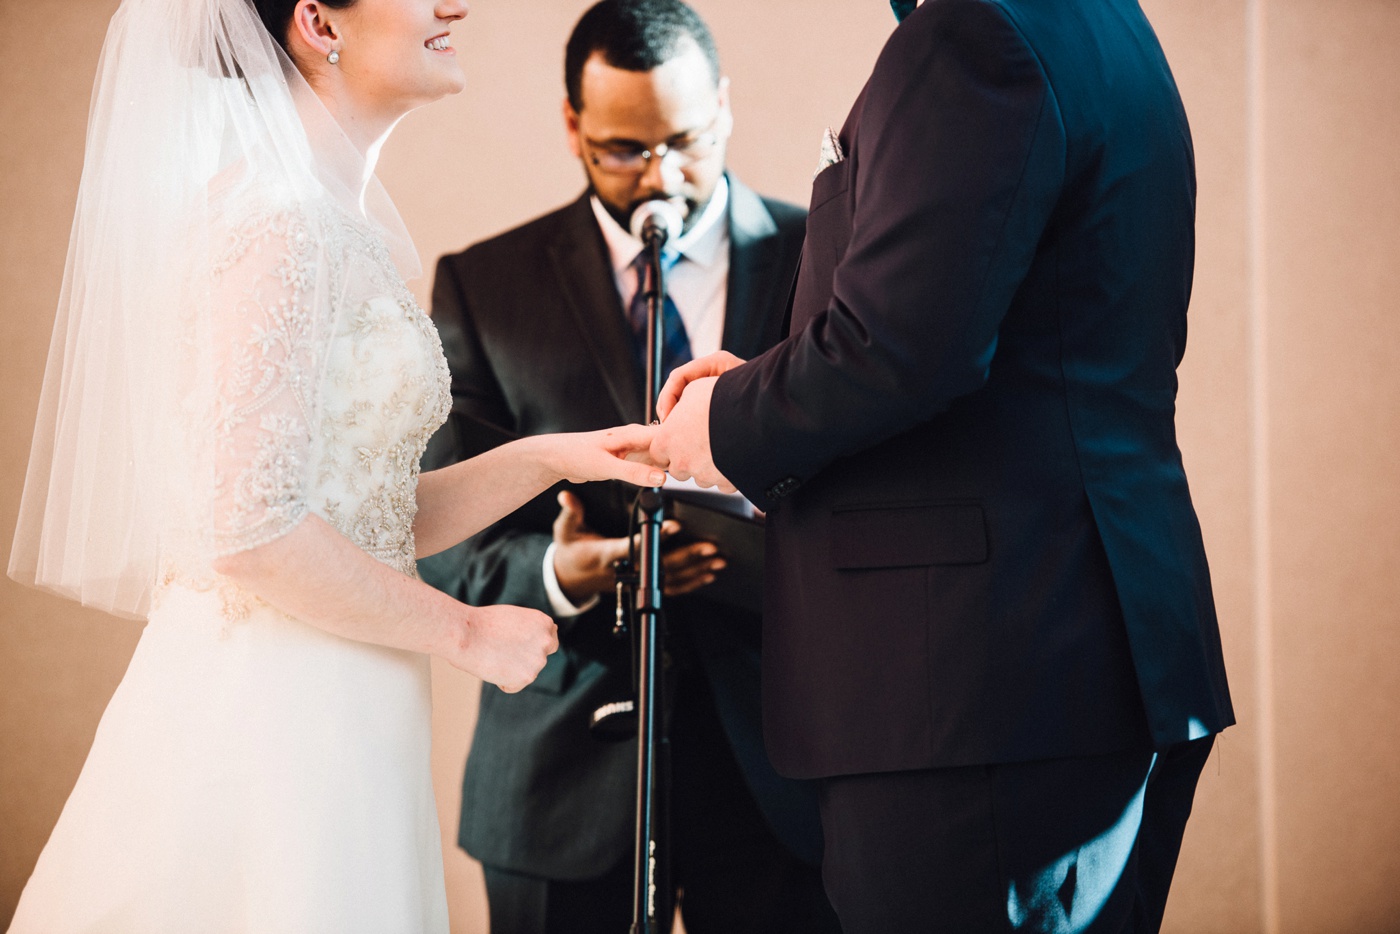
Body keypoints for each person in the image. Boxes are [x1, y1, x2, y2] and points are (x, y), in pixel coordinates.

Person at [4, 0, 664, 931]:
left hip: (346, 700)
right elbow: (247, 528)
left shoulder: (325, 219)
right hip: (275, 718)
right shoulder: (279, 226)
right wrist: (465, 632)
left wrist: (560, 454)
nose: (453, 5)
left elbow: (366, 514)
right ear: (320, 23)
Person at [650, 0, 1236, 931]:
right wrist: (773, 383)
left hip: (976, 685)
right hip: (1080, 652)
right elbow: (1007, 337)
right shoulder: (1108, 25)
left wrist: (724, 423)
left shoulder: (975, 34)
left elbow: (898, 346)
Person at [415, 2, 840, 932]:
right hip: (560, 780)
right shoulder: (485, 286)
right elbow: (437, 531)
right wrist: (560, 574)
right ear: (572, 126)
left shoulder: (831, 257)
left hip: (784, 769)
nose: (661, 176)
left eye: (685, 141)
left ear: (724, 106)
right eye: (621, 150)